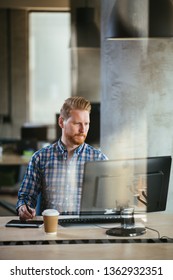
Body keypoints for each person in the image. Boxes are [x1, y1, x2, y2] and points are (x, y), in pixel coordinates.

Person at [16, 96, 108, 220]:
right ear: (61, 122)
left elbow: (109, 203)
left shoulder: (99, 160)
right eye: (77, 123)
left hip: (86, 230)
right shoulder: (40, 158)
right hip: (50, 231)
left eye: (86, 124)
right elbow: (26, 197)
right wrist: (23, 207)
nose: (83, 129)